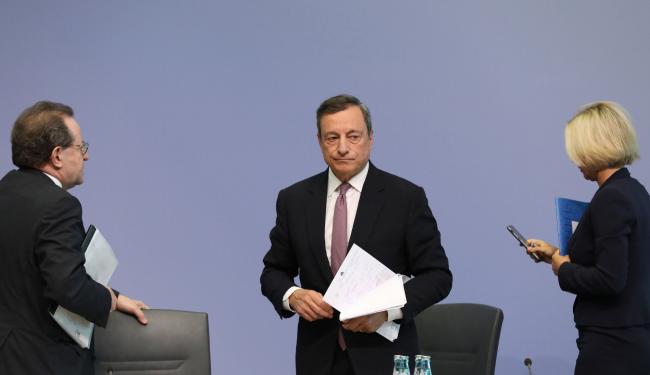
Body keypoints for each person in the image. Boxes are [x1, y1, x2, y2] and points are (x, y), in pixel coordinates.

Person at [260, 94, 452, 375]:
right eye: (332, 138)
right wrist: (293, 295)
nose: (342, 148)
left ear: (371, 138)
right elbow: (273, 271)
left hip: (385, 358)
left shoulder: (405, 198)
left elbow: (437, 276)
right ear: (319, 141)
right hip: (318, 359)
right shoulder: (294, 199)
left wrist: (385, 312)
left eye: (353, 136)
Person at [0, 101, 149, 374]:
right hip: (42, 362)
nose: (86, 156)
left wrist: (113, 295)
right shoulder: (58, 205)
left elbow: (29, 274)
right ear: (57, 156)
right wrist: (108, 300)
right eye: (81, 148)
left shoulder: (6, 191)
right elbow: (68, 288)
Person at [527, 101, 650, 374]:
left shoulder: (611, 199)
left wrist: (564, 269)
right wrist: (555, 255)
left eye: (577, 150)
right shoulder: (635, 192)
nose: (575, 160)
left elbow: (610, 279)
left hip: (611, 347)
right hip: (632, 341)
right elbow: (619, 263)